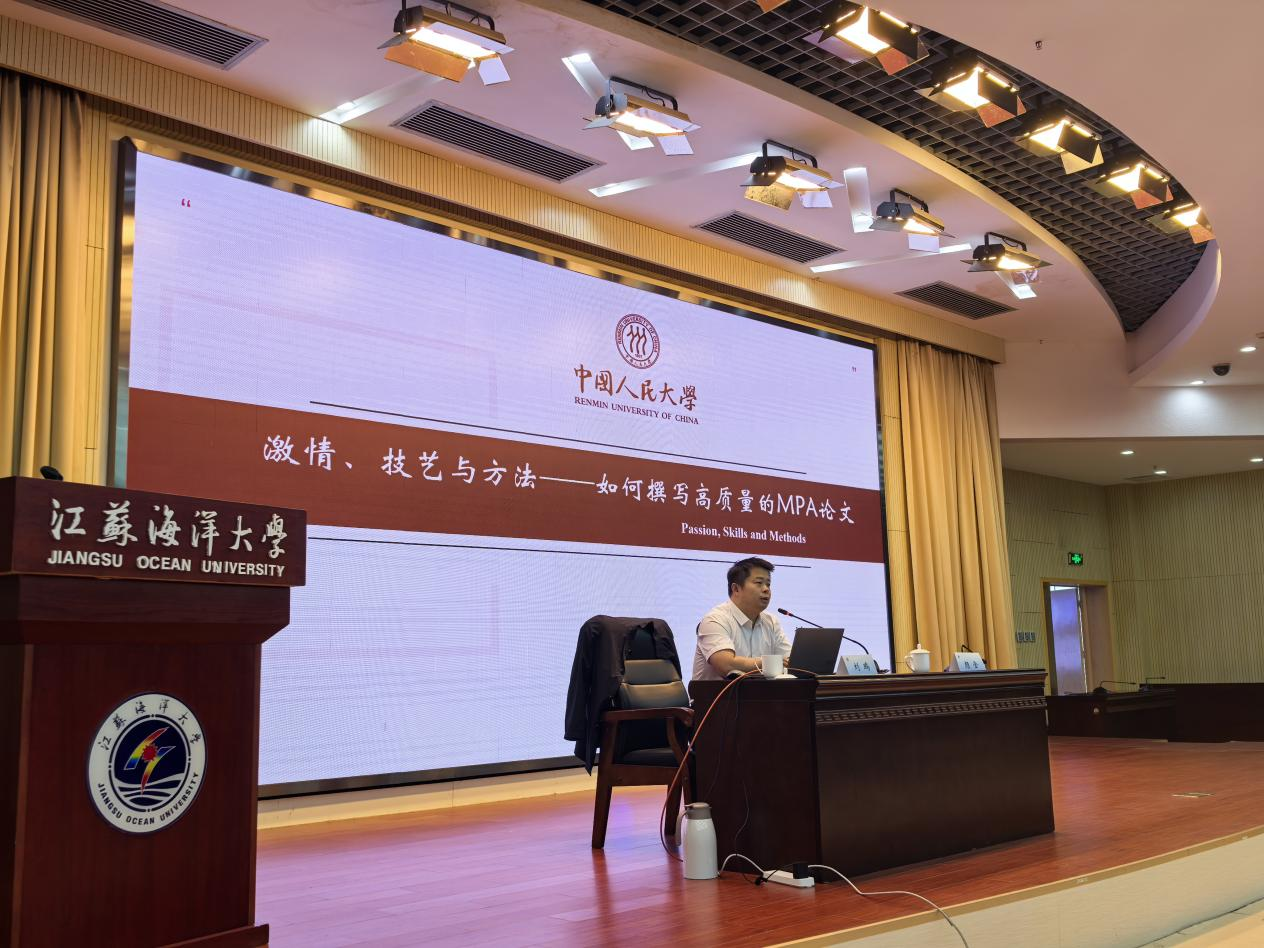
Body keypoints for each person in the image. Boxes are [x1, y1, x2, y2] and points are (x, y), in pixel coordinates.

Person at [692, 556, 791, 681]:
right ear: (736, 589)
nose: (766, 589)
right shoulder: (715, 620)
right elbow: (726, 665)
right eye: (759, 583)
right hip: (718, 693)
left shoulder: (771, 622)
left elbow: (791, 662)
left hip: (759, 692)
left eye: (768, 584)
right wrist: (770, 662)